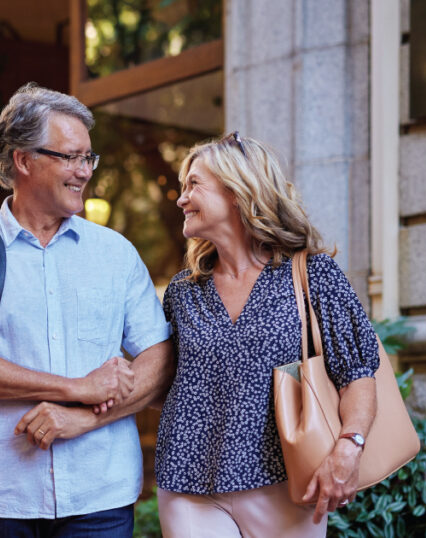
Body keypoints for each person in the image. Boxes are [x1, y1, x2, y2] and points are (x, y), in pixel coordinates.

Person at [0, 83, 174, 537]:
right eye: (70, 157)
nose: (84, 172)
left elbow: (160, 359)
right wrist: (76, 387)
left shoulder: (115, 253)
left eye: (88, 158)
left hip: (102, 496)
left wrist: (79, 417)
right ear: (24, 159)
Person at [154, 132, 379, 537]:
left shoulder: (313, 275)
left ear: (238, 191)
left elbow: (358, 375)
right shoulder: (183, 292)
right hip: (189, 484)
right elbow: (159, 379)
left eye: (193, 185)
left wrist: (349, 447)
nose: (181, 198)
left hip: (287, 483)